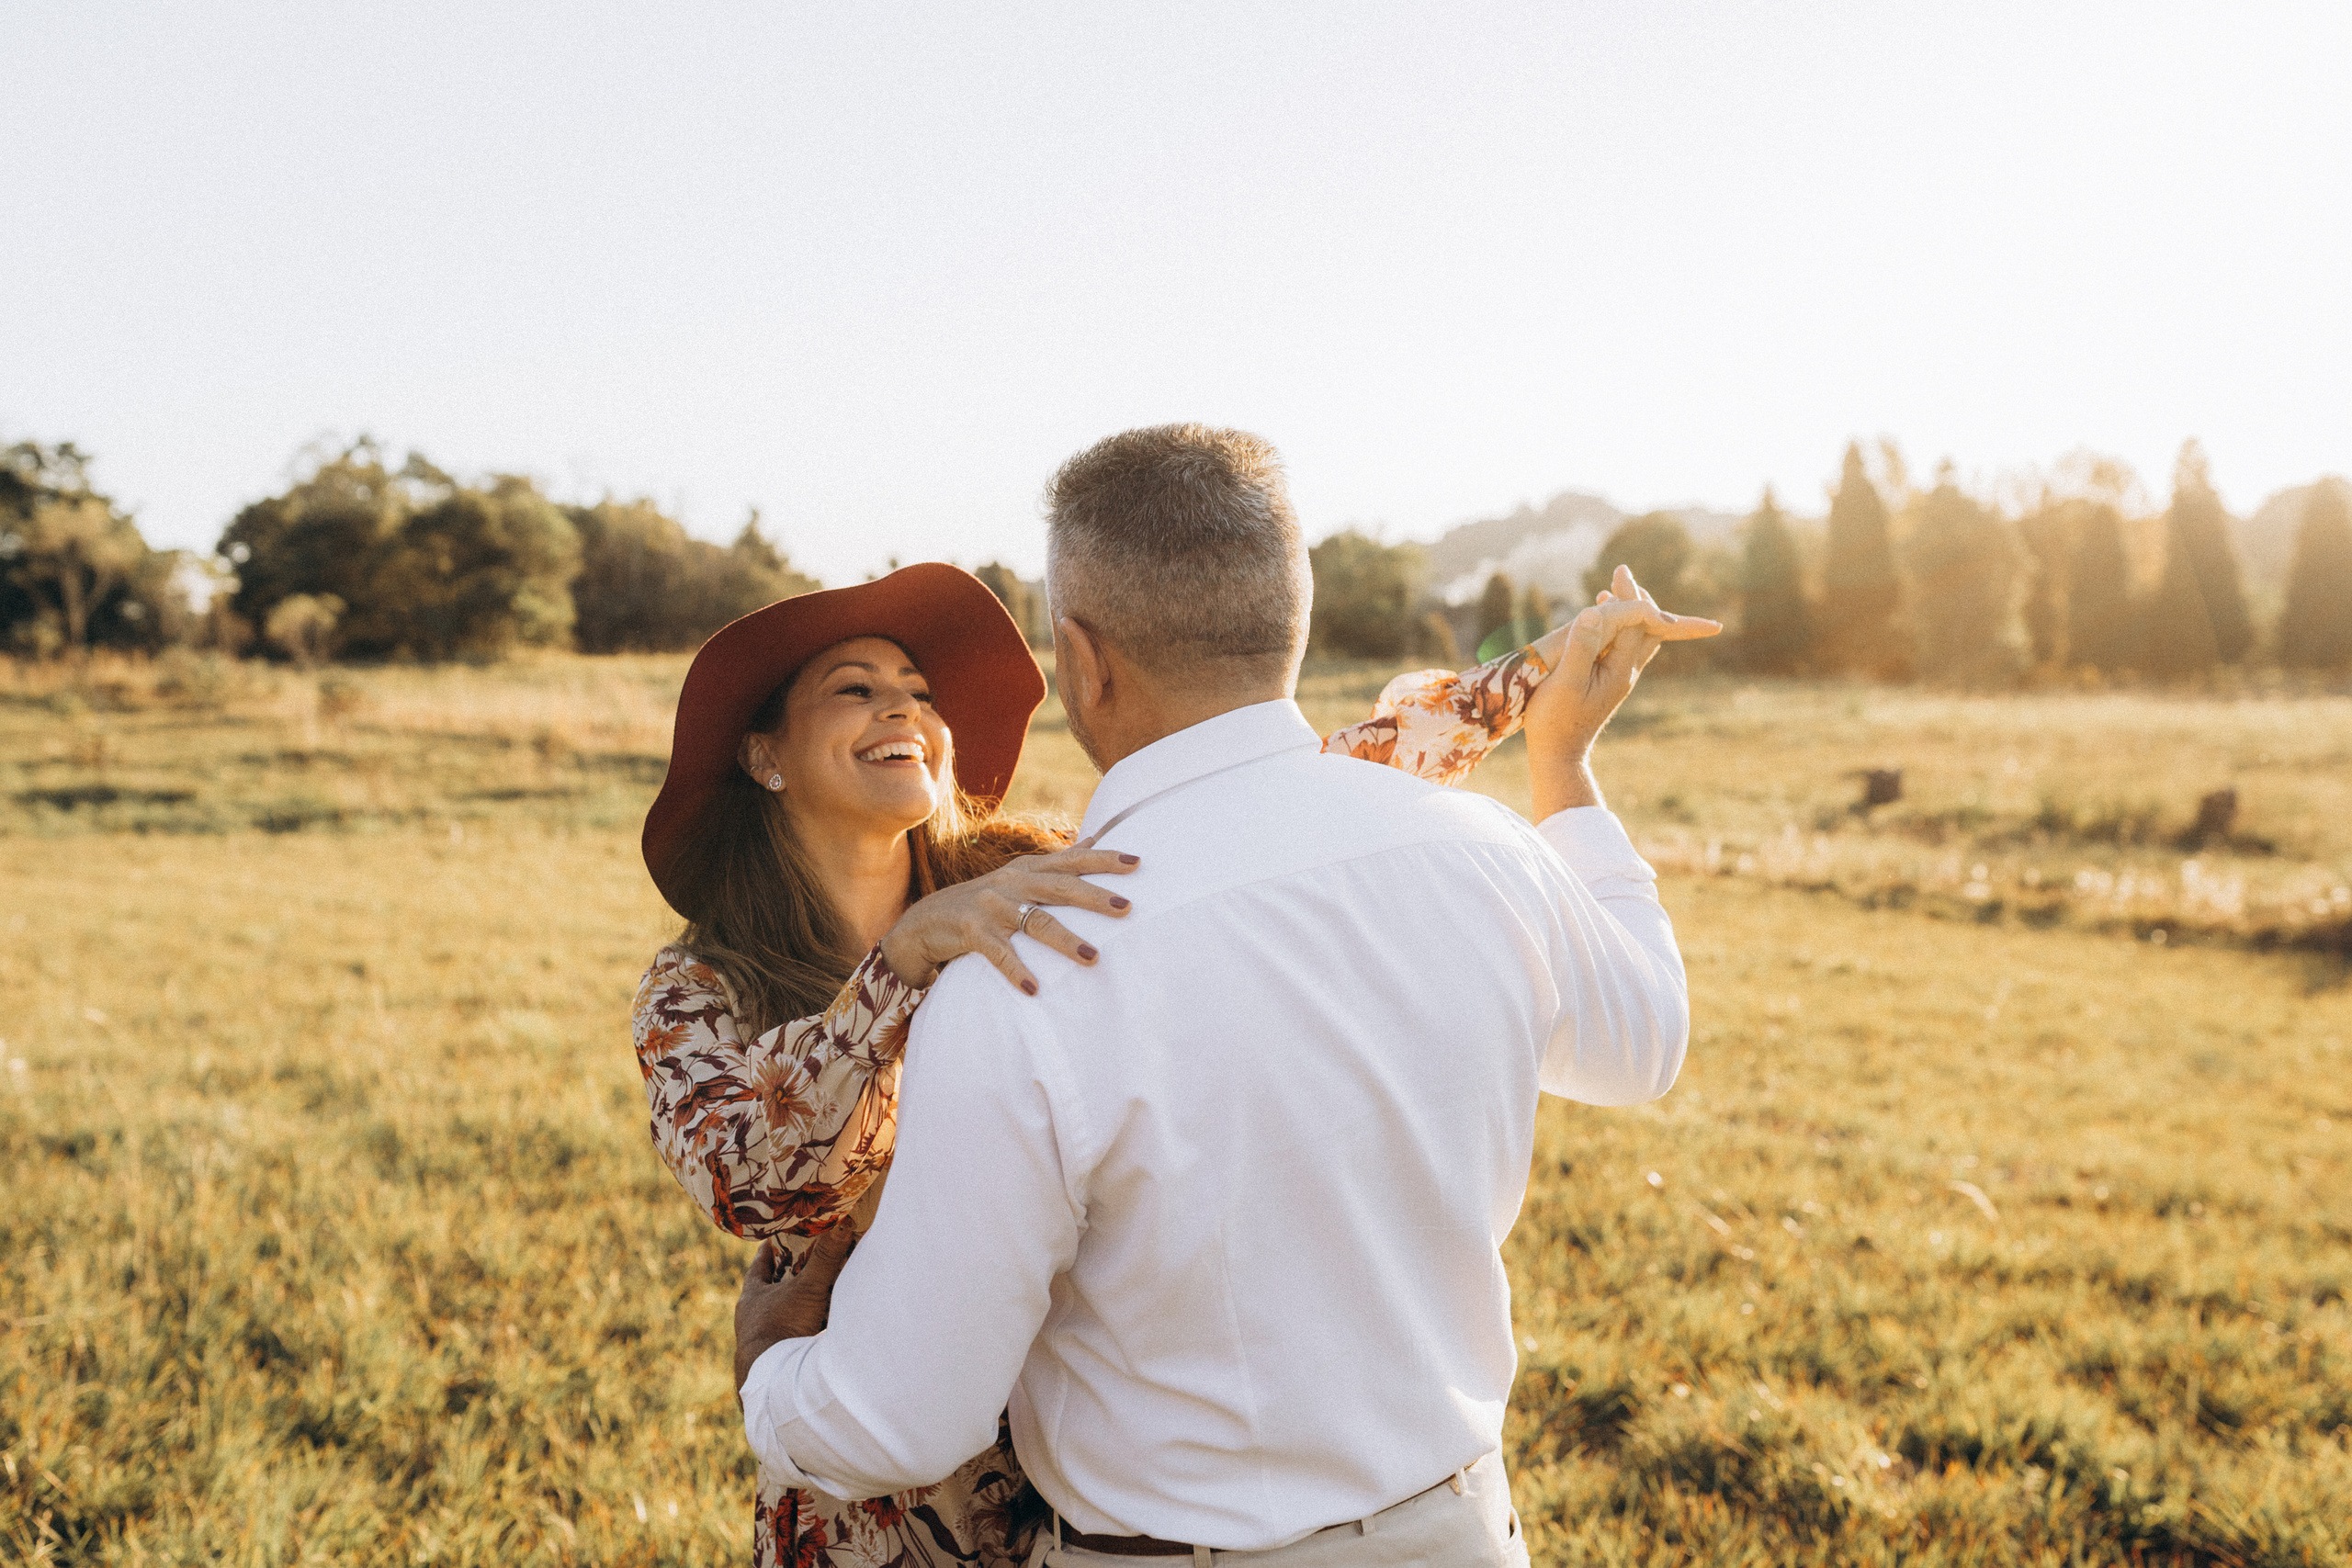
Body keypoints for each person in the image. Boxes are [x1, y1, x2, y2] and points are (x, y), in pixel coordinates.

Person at [730, 424, 1716, 1566]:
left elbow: (898, 1421)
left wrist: (771, 1374)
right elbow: (1644, 1045)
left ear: (1083, 660)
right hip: (1460, 1533)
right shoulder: (1486, 853)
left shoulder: (1025, 971)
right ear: (1287, 623)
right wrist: (1565, 770)